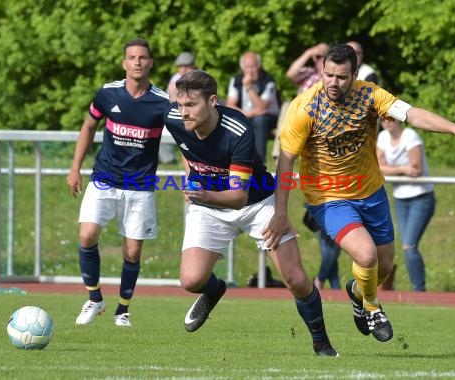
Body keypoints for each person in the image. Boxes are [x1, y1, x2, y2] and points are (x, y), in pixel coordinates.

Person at [264, 44, 455, 343]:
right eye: (328, 75)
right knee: (366, 254)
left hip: (371, 192)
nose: (333, 83)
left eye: (341, 77)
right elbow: (285, 163)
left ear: (355, 75)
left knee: (383, 267)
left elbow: (412, 114)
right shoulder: (303, 108)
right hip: (328, 197)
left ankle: (358, 294)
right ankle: (372, 307)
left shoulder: (371, 95)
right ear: (322, 71)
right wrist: (280, 213)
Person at [164, 70, 338, 357]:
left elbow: (237, 197)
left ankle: (321, 341)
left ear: (213, 101)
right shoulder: (174, 117)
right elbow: (186, 148)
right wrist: (193, 177)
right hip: (208, 205)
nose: (183, 112)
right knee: (191, 280)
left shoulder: (239, 129)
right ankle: (214, 290)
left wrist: (202, 194)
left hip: (256, 204)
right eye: (180, 104)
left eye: (191, 105)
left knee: (294, 278)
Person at [66, 38, 169, 327]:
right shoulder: (108, 95)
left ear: (150, 63)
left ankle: (122, 309)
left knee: (133, 251)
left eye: (143, 57)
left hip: (139, 184)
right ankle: (95, 298)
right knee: (87, 236)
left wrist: (194, 179)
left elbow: (183, 138)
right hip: (104, 177)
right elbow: (89, 126)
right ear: (124, 63)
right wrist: (75, 168)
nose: (137, 62)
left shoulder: (162, 102)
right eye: (132, 57)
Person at [287, 42, 342, 289]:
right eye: (318, 59)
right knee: (328, 238)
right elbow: (290, 74)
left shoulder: (342, 96)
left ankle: (325, 281)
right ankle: (329, 282)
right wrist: (309, 53)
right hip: (318, 179)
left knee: (333, 239)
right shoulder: (307, 94)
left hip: (339, 178)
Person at [377, 117, 436, 292]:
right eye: (383, 119)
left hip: (421, 196)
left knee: (409, 246)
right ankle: (398, 286)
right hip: (400, 197)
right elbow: (378, 167)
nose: (387, 122)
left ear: (399, 120)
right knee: (403, 246)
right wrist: (403, 169)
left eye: (391, 118)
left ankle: (419, 291)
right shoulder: (382, 138)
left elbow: (416, 169)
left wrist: (391, 169)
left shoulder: (410, 136)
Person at [226, 51, 280, 163]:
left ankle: (260, 163)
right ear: (242, 67)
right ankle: (232, 161)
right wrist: (247, 114)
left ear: (259, 66)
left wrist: (249, 87)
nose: (250, 70)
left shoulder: (268, 81)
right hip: (248, 115)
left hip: (269, 117)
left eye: (253, 66)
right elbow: (230, 105)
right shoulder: (236, 80)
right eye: (247, 67)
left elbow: (261, 107)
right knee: (230, 119)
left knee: (260, 120)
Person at [160, 52, 198, 165]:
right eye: (180, 66)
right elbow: (170, 104)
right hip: (179, 116)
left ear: (194, 66)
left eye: (186, 66)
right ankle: (169, 161)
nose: (183, 69)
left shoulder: (201, 78)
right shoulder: (175, 80)